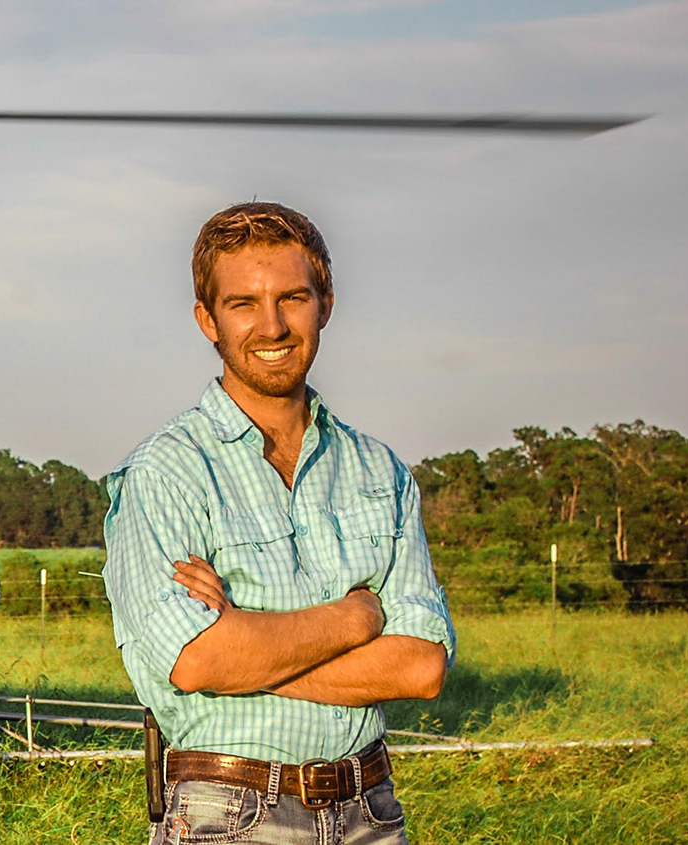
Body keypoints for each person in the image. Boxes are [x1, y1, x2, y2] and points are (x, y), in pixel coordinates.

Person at [103, 202, 455, 844]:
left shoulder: (380, 469)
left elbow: (421, 667)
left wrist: (247, 646)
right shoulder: (165, 472)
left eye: (293, 297)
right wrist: (355, 619)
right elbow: (196, 659)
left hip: (369, 810)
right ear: (207, 320)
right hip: (228, 811)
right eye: (243, 304)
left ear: (325, 303)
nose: (272, 326)